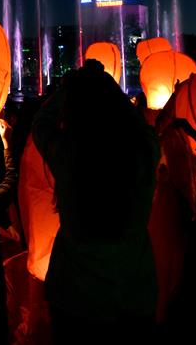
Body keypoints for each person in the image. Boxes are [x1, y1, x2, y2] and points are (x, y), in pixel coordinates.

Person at [31, 61, 159, 344]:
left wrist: (72, 86)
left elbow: (40, 123)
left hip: (75, 298)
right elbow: (138, 120)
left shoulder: (67, 154)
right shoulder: (144, 152)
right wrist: (105, 81)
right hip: (134, 296)